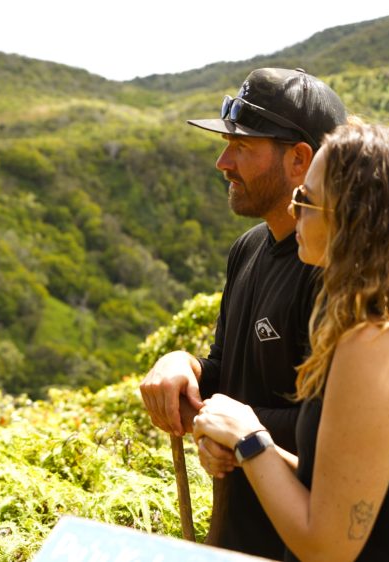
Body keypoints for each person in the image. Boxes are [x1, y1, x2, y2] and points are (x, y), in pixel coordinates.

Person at [194, 122, 389, 561]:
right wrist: (254, 451)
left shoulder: (374, 345)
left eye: (306, 198)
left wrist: (249, 437)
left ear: (357, 220)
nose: (293, 208)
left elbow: (328, 546)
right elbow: (353, 495)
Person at [139, 68, 347, 559]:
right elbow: (231, 373)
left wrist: (225, 424)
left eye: (242, 147)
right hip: (235, 537)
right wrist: (185, 367)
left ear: (299, 160)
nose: (223, 162)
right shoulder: (249, 249)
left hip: (305, 541)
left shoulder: (335, 268)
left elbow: (341, 428)